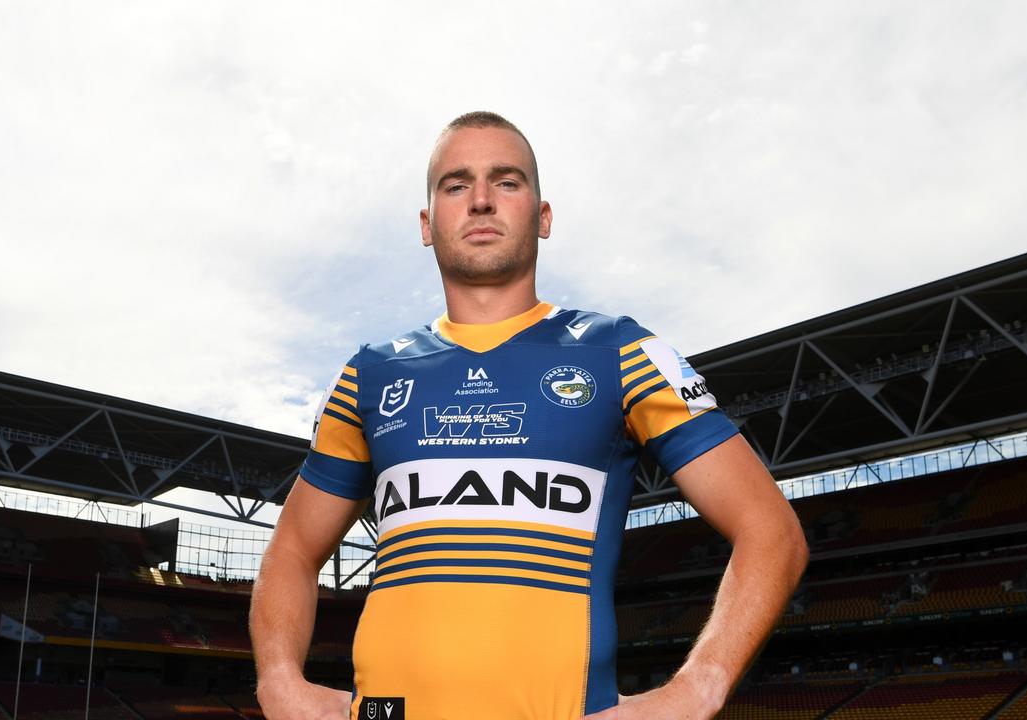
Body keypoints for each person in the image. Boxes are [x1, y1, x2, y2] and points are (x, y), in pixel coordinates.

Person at [249, 111, 809, 720]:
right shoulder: (371, 372)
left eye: (507, 181)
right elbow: (293, 549)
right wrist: (278, 680)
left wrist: (697, 687)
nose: (482, 200)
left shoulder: (619, 350)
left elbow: (770, 531)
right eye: (456, 185)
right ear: (426, 224)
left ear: (543, 218)